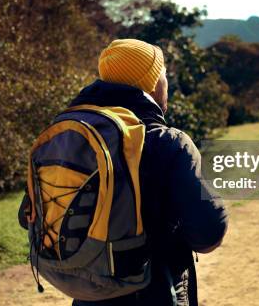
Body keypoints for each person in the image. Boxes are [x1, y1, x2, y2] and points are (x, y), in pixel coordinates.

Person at [68, 38, 228, 306]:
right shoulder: (167, 142)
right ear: (152, 82)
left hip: (87, 296)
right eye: (164, 74)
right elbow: (208, 234)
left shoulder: (75, 138)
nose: (167, 83)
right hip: (157, 294)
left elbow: (30, 217)